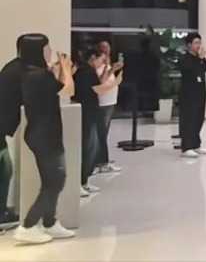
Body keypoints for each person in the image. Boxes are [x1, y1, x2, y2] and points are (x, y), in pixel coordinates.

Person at [15, 34, 76, 244]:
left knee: (51, 180)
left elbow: (55, 88)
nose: (50, 53)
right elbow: (69, 90)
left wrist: (58, 71)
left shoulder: (32, 73)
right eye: (46, 49)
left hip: (41, 133)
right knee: (56, 181)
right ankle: (28, 225)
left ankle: (50, 222)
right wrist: (65, 67)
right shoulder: (39, 76)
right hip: (45, 135)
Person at [74, 49, 122, 196]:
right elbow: (98, 89)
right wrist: (116, 82)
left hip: (90, 110)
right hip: (87, 112)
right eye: (101, 59)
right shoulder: (86, 71)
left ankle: (84, 181)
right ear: (93, 58)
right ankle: (80, 182)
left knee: (91, 145)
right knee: (88, 146)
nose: (103, 62)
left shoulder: (86, 71)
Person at [0, 35, 27, 226]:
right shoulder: (19, 70)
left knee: (6, 168)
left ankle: (2, 210)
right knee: (5, 168)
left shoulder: (13, 68)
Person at [178, 33, 206, 158]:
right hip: (188, 94)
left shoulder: (200, 58)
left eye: (200, 42)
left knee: (199, 118)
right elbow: (190, 71)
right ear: (189, 45)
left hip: (201, 92)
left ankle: (195, 144)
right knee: (189, 119)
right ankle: (186, 147)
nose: (199, 45)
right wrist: (200, 59)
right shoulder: (184, 58)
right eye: (196, 43)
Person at [94, 40, 123, 174]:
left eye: (108, 47)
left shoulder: (107, 62)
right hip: (103, 102)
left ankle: (101, 159)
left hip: (110, 101)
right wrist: (111, 69)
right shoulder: (99, 63)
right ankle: (100, 162)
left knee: (104, 133)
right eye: (104, 48)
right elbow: (101, 80)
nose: (107, 50)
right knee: (101, 133)